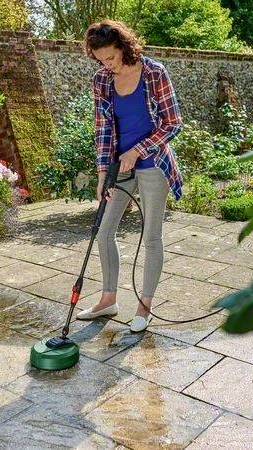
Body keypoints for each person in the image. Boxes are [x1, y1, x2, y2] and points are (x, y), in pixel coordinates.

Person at [75, 19, 184, 332]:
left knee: (151, 237)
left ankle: (144, 306)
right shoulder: (102, 80)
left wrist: (137, 150)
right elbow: (103, 128)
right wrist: (101, 174)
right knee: (103, 230)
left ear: (123, 46)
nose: (108, 64)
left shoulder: (154, 73)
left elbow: (173, 123)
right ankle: (109, 299)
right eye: (101, 60)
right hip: (118, 166)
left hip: (154, 164)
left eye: (111, 57)